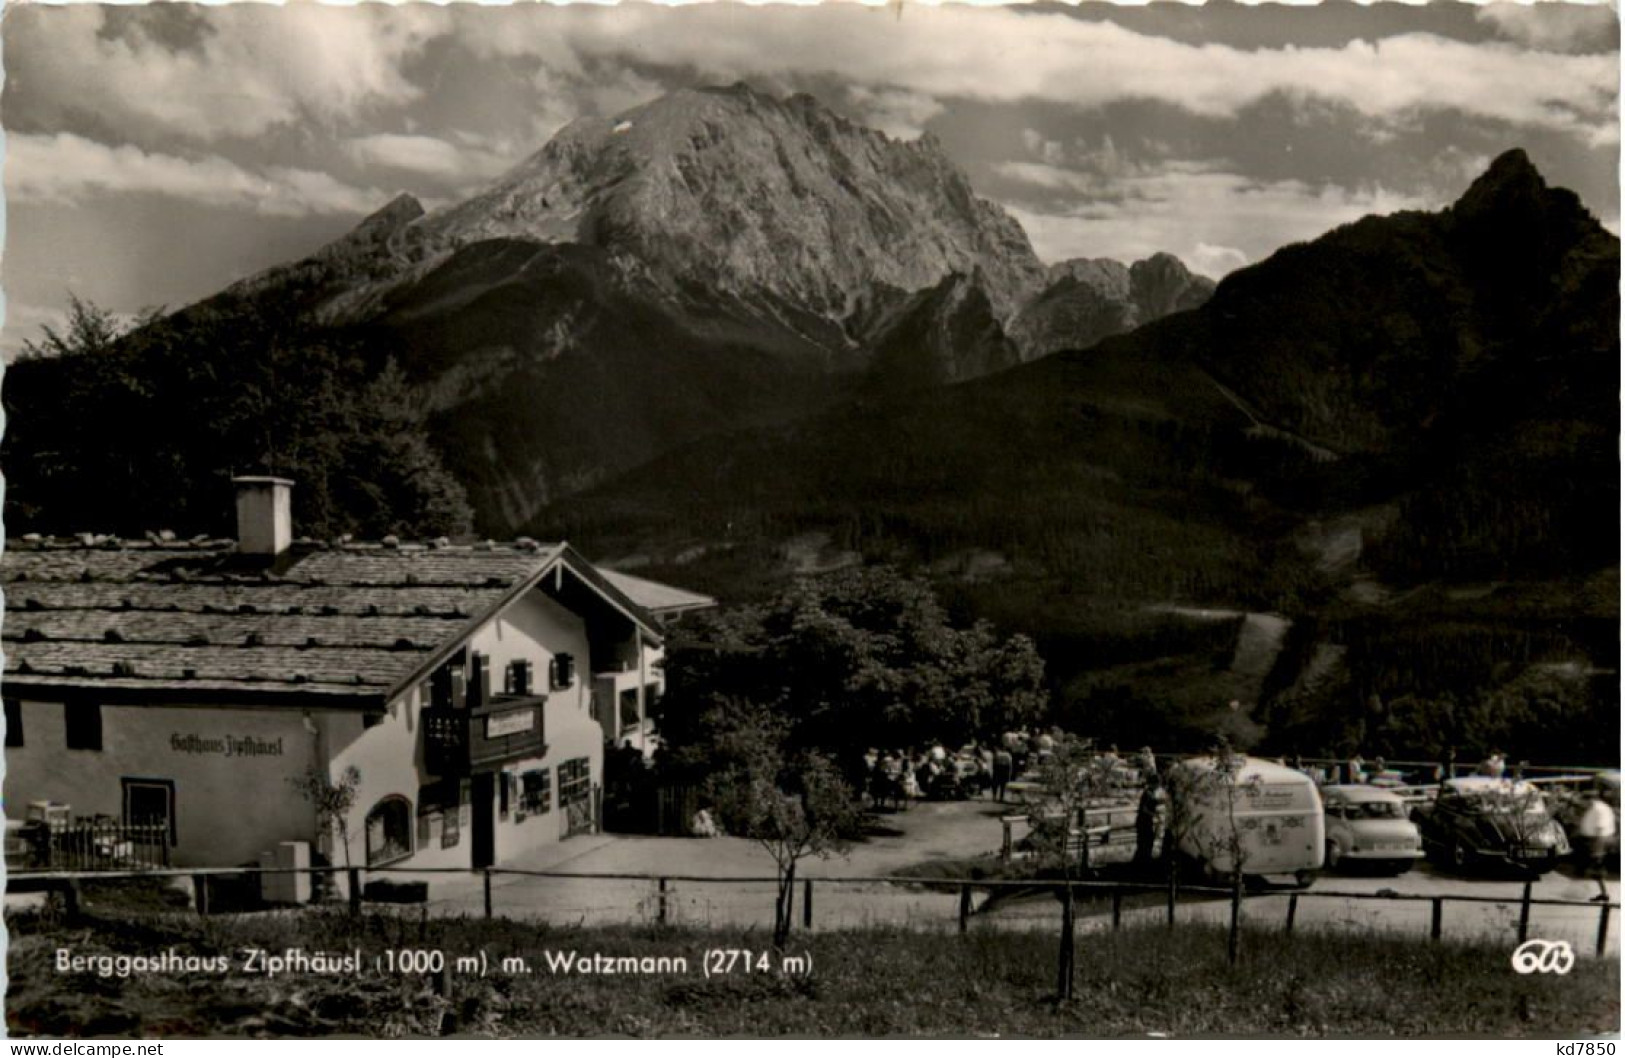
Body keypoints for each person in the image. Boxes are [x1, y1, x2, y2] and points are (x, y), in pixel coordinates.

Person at [1576, 784, 1617, 901]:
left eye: (1583, 800)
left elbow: (1601, 828)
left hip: (1599, 840)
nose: (1582, 803)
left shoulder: (1598, 809)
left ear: (1590, 799)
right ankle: (1602, 892)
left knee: (1597, 869)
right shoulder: (1595, 808)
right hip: (1595, 840)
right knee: (1595, 869)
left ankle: (1604, 893)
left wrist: (1597, 850)